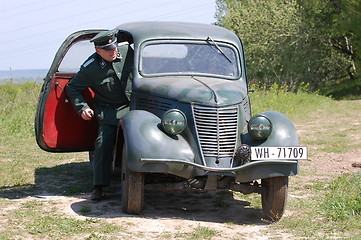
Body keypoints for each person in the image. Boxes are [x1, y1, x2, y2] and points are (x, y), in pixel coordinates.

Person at [66, 29, 133, 201]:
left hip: (135, 108)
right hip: (110, 111)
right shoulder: (91, 68)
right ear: (98, 51)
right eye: (109, 50)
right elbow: (72, 88)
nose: (114, 52)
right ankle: (99, 185)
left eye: (115, 47)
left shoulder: (127, 52)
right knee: (103, 142)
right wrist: (82, 108)